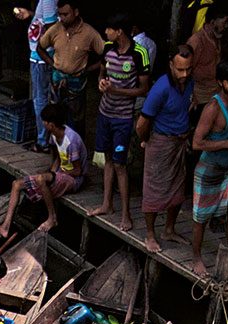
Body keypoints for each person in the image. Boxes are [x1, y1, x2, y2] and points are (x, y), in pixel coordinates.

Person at [189, 63, 228, 279]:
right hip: (208, 170)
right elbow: (197, 143)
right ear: (220, 83)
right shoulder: (213, 107)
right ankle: (196, 258)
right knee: (201, 219)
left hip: (226, 170)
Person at [90, 16, 150, 231]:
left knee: (120, 164)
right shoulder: (108, 48)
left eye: (109, 29)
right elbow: (101, 73)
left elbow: (144, 89)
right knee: (107, 159)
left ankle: (126, 214)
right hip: (104, 113)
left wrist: (116, 91)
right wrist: (101, 83)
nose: (106, 32)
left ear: (119, 31)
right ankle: (107, 204)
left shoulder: (139, 53)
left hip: (123, 118)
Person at [136, 46, 192, 254]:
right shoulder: (161, 88)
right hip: (161, 141)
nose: (184, 74)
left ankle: (169, 229)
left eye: (188, 69)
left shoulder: (189, 83)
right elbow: (141, 124)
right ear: (171, 65)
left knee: (178, 187)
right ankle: (150, 234)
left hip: (180, 141)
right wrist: (146, 140)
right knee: (154, 189)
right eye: (180, 69)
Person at [0, 102, 85, 237]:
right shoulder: (54, 135)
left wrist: (52, 175)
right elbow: (57, 158)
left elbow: (77, 171)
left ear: (51, 124)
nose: (43, 124)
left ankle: (52, 217)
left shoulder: (71, 141)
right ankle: (5, 227)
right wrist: (52, 173)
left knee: (41, 179)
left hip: (74, 179)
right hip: (61, 174)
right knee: (16, 184)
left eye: (44, 122)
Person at [38, 1, 105, 134]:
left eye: (65, 14)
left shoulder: (89, 32)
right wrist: (52, 64)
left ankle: (76, 144)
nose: (62, 18)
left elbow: (106, 53)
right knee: (55, 117)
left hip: (77, 81)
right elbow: (40, 47)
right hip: (57, 79)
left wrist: (90, 69)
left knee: (77, 118)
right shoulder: (55, 29)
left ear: (76, 12)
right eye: (60, 14)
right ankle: (56, 145)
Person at [19, 2, 59, 153]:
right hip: (44, 56)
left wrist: (44, 52)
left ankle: (43, 141)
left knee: (40, 99)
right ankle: (50, 139)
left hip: (42, 57)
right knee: (46, 97)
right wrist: (30, 14)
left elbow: (51, 28)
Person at [186, 6, 228, 107]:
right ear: (213, 22)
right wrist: (191, 96)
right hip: (200, 97)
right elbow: (187, 71)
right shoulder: (197, 41)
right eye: (224, 23)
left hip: (215, 93)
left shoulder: (216, 39)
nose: (226, 26)